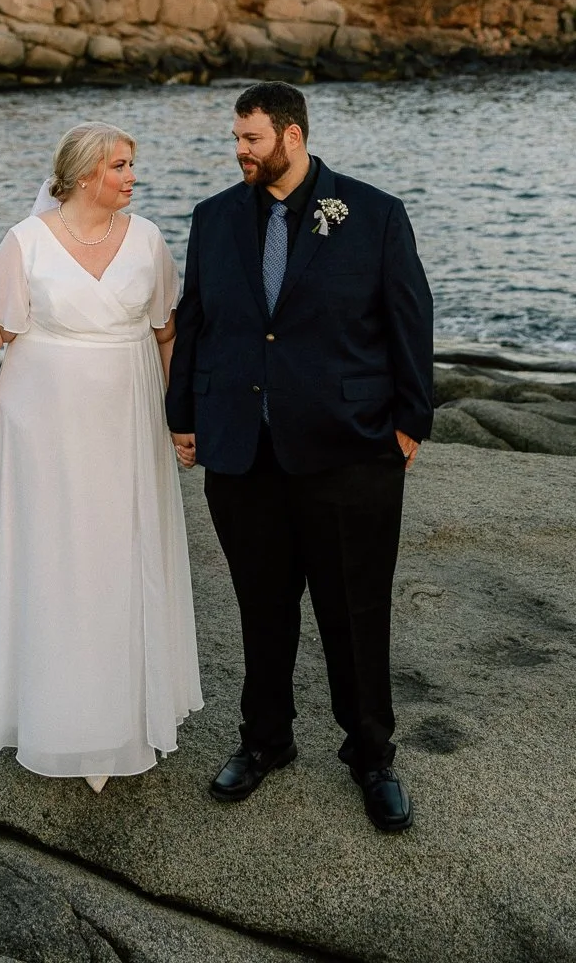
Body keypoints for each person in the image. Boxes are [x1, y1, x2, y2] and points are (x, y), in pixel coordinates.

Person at [0, 122, 202, 792]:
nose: (131, 176)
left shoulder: (148, 241)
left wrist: (180, 418)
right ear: (86, 173)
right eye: (120, 165)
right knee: (59, 557)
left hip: (127, 424)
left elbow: (168, 334)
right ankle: (57, 715)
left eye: (131, 166)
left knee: (124, 556)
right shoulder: (27, 243)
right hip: (46, 429)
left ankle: (124, 711)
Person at [166, 83, 433, 832]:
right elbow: (197, 320)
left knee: (356, 611)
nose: (240, 151)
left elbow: (410, 316)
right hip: (243, 451)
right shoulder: (213, 217)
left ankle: (372, 756)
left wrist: (411, 420)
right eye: (236, 139)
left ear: (291, 135)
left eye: (251, 138)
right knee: (262, 606)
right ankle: (266, 741)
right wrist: (182, 414)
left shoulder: (373, 213)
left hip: (350, 450)